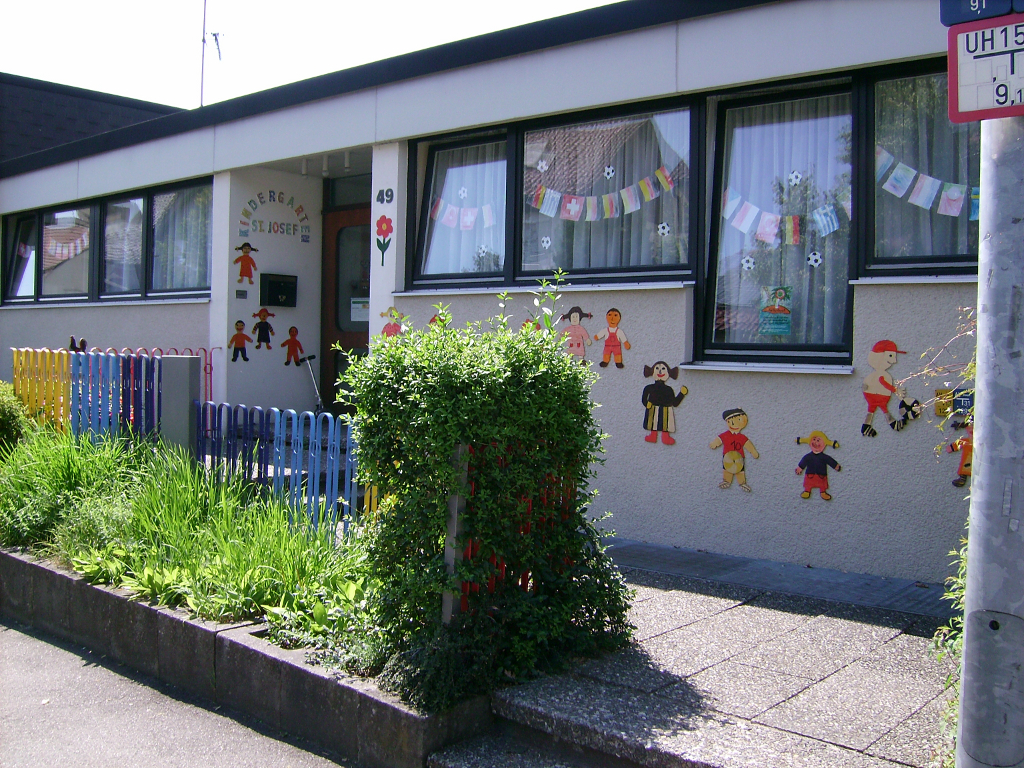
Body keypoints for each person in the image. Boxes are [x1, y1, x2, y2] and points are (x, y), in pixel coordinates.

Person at [861, 340, 906, 437]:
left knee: (872, 410)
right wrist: (896, 390)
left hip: (872, 394)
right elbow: (883, 383)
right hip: (878, 395)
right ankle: (893, 424)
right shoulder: (881, 374)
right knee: (884, 409)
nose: (894, 361)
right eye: (891, 356)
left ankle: (866, 426)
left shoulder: (878, 374)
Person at [709, 408, 759, 492]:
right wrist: (714, 444)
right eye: (731, 421)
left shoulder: (742, 437)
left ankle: (742, 483)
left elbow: (748, 445)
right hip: (727, 456)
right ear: (728, 422)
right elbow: (719, 439)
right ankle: (727, 481)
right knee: (727, 469)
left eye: (739, 420)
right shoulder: (726, 435)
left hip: (739, 456)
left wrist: (753, 452)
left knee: (740, 470)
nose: (734, 424)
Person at [641, 361, 687, 445]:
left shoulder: (669, 389)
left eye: (663, 369)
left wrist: (682, 394)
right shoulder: (648, 388)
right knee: (652, 423)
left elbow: (675, 403)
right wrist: (646, 404)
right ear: (652, 372)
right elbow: (644, 398)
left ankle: (665, 437)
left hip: (666, 410)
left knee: (665, 424)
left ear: (668, 373)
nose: (660, 371)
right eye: (657, 369)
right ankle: (653, 435)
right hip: (653, 409)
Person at [795, 431, 841, 500]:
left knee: (822, 485)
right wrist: (800, 468)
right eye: (814, 440)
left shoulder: (824, 457)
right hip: (810, 474)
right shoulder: (808, 457)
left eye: (818, 440)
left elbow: (830, 461)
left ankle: (823, 492)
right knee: (808, 484)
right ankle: (807, 491)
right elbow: (803, 462)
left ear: (824, 444)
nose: (816, 442)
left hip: (821, 475)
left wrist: (836, 466)